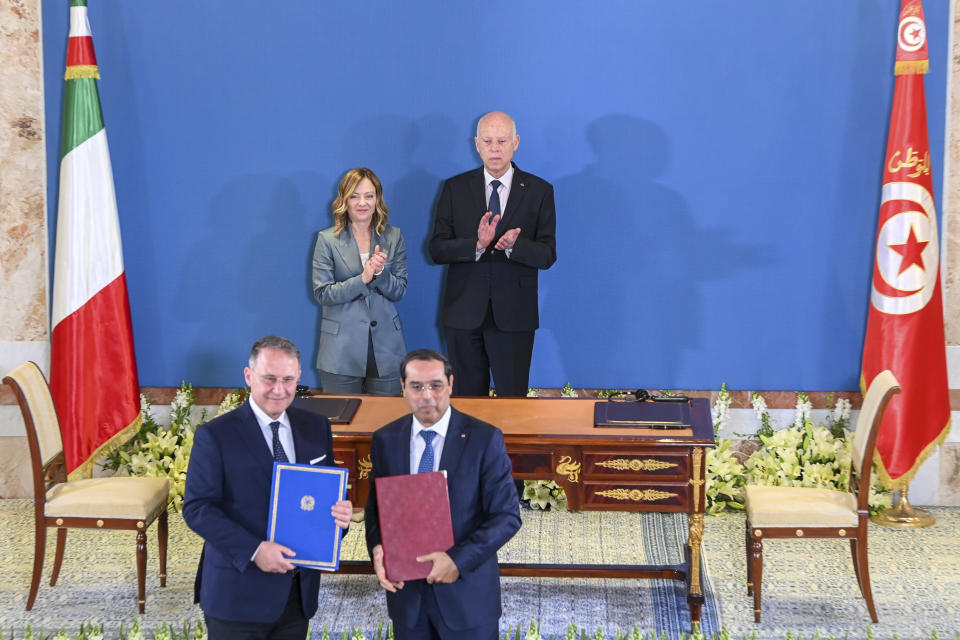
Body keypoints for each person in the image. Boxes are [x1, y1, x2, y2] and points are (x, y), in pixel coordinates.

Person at [183, 336, 353, 640]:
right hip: (237, 595)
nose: (279, 389)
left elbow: (326, 492)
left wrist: (340, 515)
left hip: (297, 594)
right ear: (249, 376)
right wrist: (255, 550)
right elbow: (198, 509)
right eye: (269, 378)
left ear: (299, 377)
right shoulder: (215, 436)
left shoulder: (315, 427)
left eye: (288, 379)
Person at [364, 348, 521, 640]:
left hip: (467, 601)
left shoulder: (484, 439)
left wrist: (457, 561)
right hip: (408, 601)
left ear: (450, 384)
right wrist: (376, 548)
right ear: (403, 388)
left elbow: (507, 517)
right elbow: (375, 511)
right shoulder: (386, 440)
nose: (427, 396)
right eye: (416, 386)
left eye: (435, 385)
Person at [428, 111, 557, 397]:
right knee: (467, 404)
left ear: (516, 142)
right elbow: (436, 249)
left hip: (514, 316)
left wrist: (514, 246)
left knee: (513, 404)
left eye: (502, 140)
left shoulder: (539, 191)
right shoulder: (454, 188)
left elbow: (548, 254)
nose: (495, 148)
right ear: (476, 144)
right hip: (463, 314)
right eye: (488, 141)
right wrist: (475, 245)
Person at [312, 167, 408, 395]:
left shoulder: (394, 236)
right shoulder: (327, 240)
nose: (362, 202)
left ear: (378, 199)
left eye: (369, 195)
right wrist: (363, 279)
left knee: (386, 425)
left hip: (387, 350)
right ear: (344, 200)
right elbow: (323, 293)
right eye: (354, 196)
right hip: (340, 351)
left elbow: (400, 290)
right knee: (344, 425)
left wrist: (380, 275)